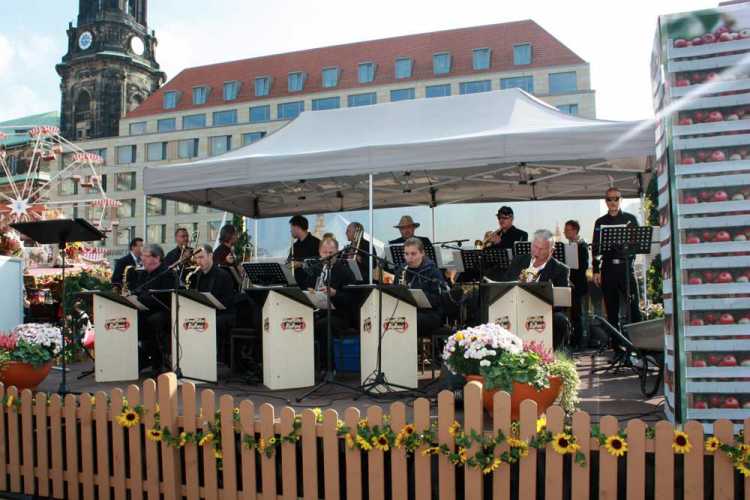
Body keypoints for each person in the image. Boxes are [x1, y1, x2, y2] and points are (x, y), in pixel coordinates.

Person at [504, 229, 571, 350]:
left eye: (542, 249)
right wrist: (518, 283)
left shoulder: (561, 269)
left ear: (551, 251)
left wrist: (544, 295)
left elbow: (562, 304)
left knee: (560, 320)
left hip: (543, 311)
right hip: (516, 306)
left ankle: (552, 355)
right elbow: (505, 286)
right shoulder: (518, 261)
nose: (536, 251)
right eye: (535, 247)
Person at [592, 187, 642, 329]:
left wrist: (628, 254)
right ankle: (617, 347)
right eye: (609, 199)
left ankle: (639, 346)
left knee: (634, 308)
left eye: (616, 198)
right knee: (612, 310)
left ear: (621, 200)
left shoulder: (630, 219)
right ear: (605, 201)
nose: (613, 202)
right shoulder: (600, 222)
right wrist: (596, 270)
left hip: (626, 268)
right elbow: (596, 247)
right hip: (608, 268)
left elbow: (638, 245)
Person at [308, 237, 358, 372]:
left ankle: (328, 368)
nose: (328, 256)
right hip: (320, 311)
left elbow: (352, 299)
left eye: (331, 252)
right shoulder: (317, 268)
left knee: (323, 325)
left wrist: (335, 294)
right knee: (301, 321)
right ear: (319, 252)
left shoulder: (344, 271)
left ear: (337, 252)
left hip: (341, 315)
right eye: (325, 252)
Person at [130, 244, 175, 374]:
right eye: (142, 255)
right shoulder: (143, 274)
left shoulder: (167, 273)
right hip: (145, 310)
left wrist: (142, 299)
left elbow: (164, 298)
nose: (142, 258)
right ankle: (140, 359)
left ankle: (157, 363)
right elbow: (138, 292)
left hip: (163, 312)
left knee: (152, 321)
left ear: (157, 258)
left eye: (146, 255)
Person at [395, 237, 447, 337]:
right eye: (406, 254)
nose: (409, 257)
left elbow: (440, 299)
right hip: (408, 311)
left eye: (413, 254)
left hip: (431, 314)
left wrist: (420, 296)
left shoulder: (432, 271)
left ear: (422, 253)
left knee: (409, 320)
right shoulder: (401, 270)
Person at [188, 243, 237, 347]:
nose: (198, 261)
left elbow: (228, 302)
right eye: (196, 258)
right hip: (206, 312)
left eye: (201, 257)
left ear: (211, 256)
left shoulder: (223, 275)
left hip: (223, 313)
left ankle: (217, 358)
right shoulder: (196, 275)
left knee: (212, 323)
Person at [564, 220, 590, 349]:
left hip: (578, 284)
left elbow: (583, 266)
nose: (565, 232)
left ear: (575, 231)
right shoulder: (570, 245)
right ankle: (574, 340)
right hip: (572, 284)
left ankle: (580, 342)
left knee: (578, 314)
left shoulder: (582, 245)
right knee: (574, 313)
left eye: (567, 230)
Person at [288, 215, 321, 288]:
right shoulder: (294, 246)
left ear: (297, 227)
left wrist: (301, 264)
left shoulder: (317, 244)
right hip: (296, 286)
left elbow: (321, 264)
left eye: (291, 228)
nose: (290, 231)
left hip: (311, 287)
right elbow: (289, 263)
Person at [213, 224, 242, 290]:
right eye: (235, 234)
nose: (237, 237)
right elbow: (215, 269)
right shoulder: (219, 251)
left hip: (234, 288)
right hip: (226, 291)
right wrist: (226, 262)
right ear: (230, 236)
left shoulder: (229, 249)